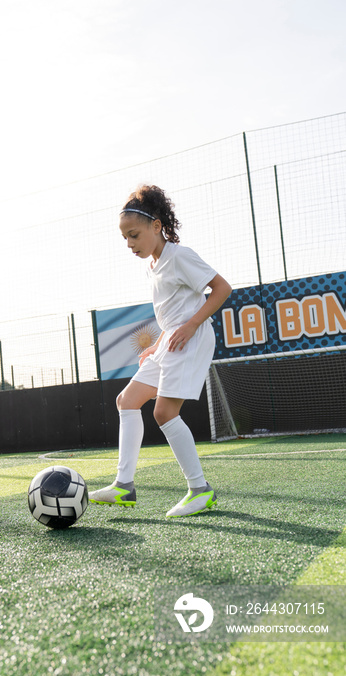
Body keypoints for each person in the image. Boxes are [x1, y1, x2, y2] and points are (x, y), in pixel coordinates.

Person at [89, 185, 232, 517]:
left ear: (156, 225)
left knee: (164, 413)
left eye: (134, 235)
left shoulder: (180, 256)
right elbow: (172, 311)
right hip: (170, 341)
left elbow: (222, 288)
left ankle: (200, 490)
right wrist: (157, 343)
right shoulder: (152, 265)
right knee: (127, 401)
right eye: (125, 238)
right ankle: (124, 487)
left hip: (191, 340)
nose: (129, 244)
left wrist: (192, 324)